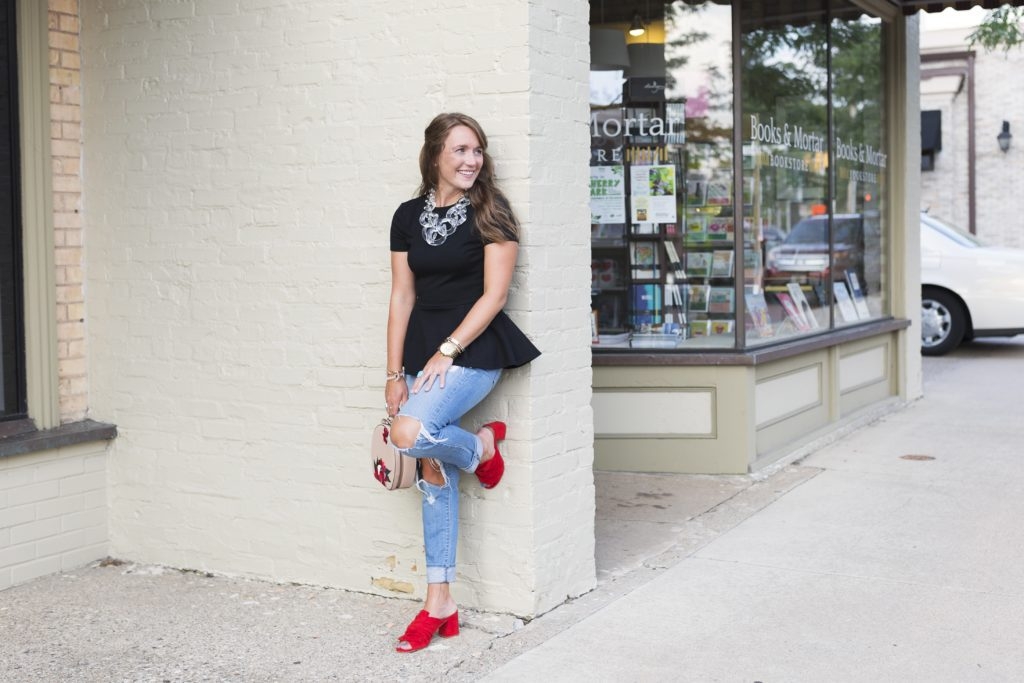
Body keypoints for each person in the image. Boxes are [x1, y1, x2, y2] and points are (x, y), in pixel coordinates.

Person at [384, 112, 540, 653]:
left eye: (477, 150)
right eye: (460, 150)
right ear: (434, 156)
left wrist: (448, 350)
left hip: (472, 350)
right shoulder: (407, 216)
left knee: (410, 434)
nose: (472, 159)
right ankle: (440, 599)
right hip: (419, 356)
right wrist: (392, 373)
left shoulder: (492, 212)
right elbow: (402, 296)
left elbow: (494, 295)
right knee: (431, 468)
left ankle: (478, 445)